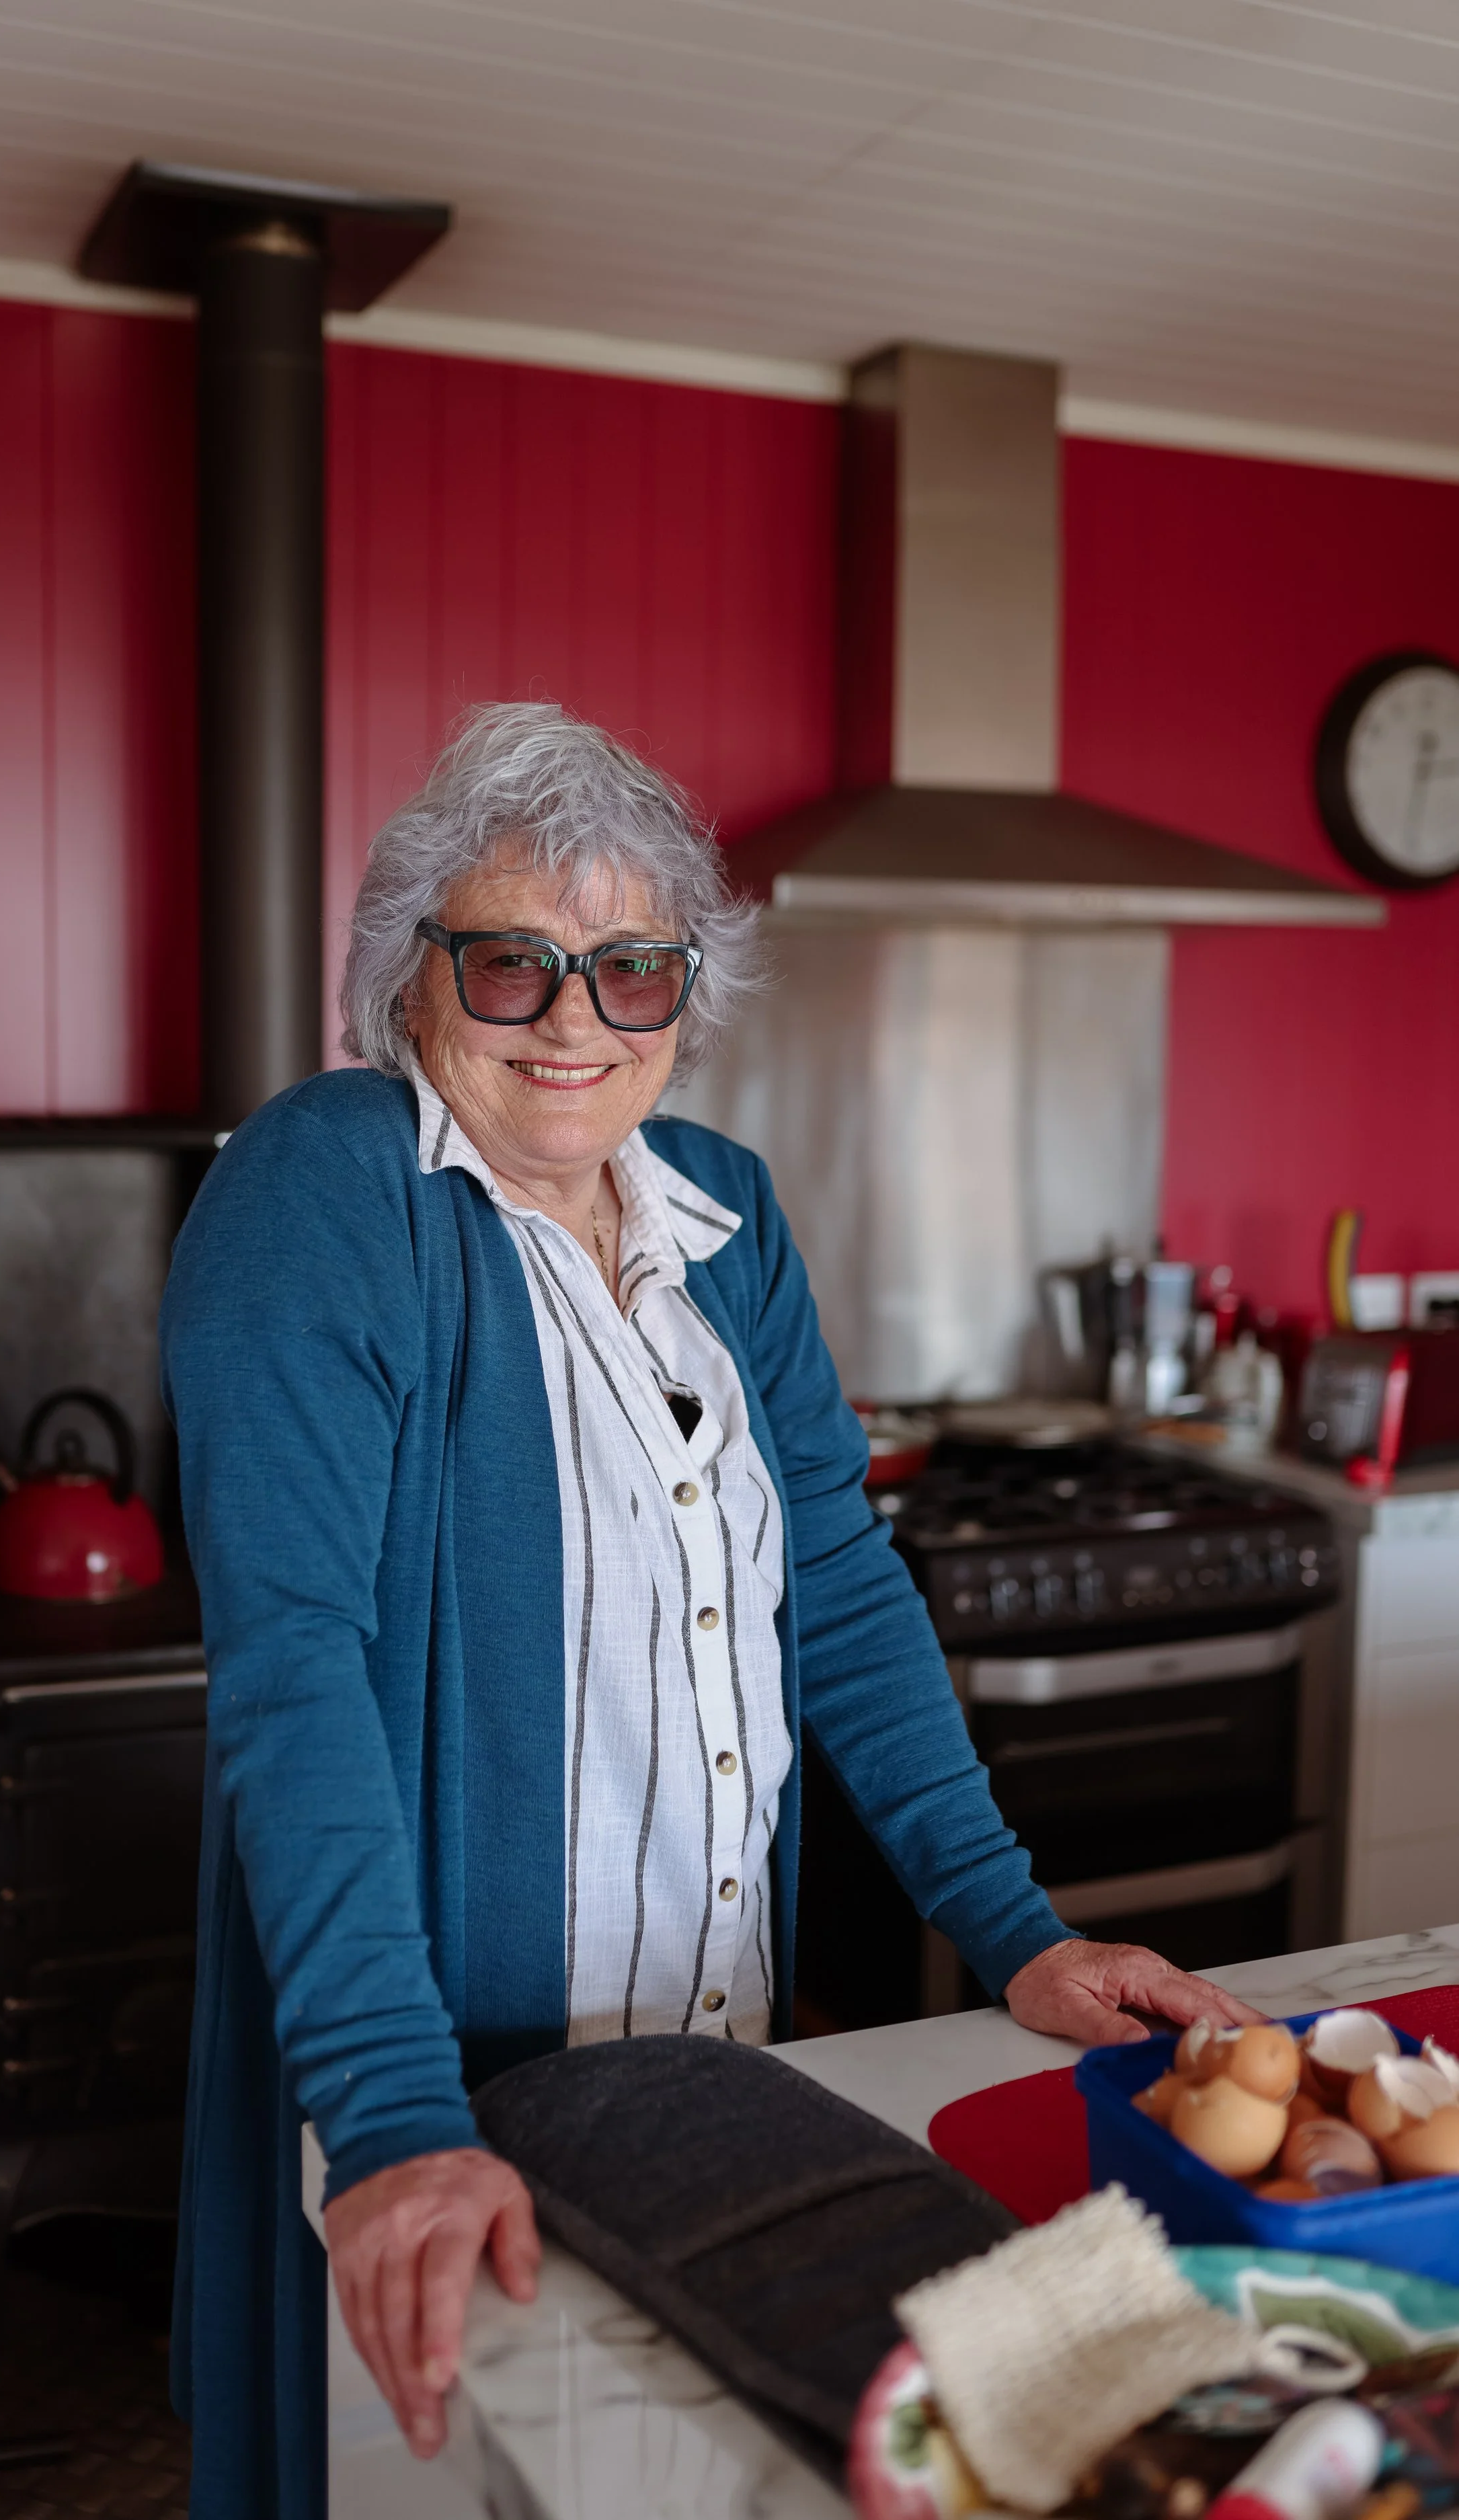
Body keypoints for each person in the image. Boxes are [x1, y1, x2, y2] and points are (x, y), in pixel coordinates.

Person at [160, 702, 1258, 2517]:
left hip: (705, 2070)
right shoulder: (328, 1187)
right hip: (440, 2078)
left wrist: (1018, 1931)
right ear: (407, 977)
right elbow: (298, 1674)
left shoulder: (724, 1214)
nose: (576, 1020)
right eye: (510, 966)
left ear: (687, 990)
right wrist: (394, 2114)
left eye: (632, 970)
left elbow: (833, 1579)